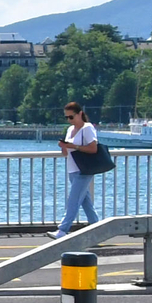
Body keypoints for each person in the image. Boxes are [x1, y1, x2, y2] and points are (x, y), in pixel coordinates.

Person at [57, 101, 102, 236]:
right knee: (85, 202)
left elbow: (93, 148)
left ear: (80, 114)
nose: (69, 120)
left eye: (71, 117)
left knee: (73, 200)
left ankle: (63, 229)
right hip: (72, 170)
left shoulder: (87, 128)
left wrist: (74, 146)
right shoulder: (70, 130)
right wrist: (64, 146)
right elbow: (66, 153)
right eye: (67, 117)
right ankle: (98, 229)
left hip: (84, 169)